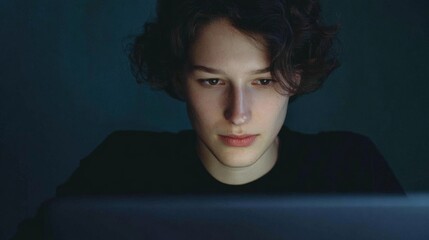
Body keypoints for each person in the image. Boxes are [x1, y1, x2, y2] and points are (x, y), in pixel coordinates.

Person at [13, 0, 404, 239]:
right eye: (212, 80)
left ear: (295, 77)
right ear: (180, 79)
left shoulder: (351, 172)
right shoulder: (120, 170)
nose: (238, 113)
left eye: (263, 80)